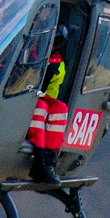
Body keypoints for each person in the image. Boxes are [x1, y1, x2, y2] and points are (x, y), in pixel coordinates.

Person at [26, 31, 69, 183]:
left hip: (39, 95)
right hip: (22, 95)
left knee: (60, 108)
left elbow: (51, 91)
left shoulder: (58, 64)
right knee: (40, 106)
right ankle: (39, 158)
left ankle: (48, 159)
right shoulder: (25, 52)